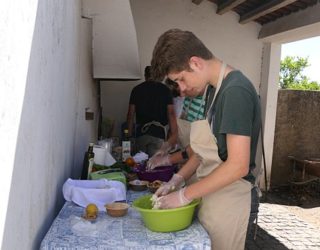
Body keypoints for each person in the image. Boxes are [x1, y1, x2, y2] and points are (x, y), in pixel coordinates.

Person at [150, 29, 261, 250]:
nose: (181, 89)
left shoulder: (235, 91)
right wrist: (177, 180)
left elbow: (238, 165)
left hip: (229, 200)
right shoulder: (212, 92)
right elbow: (204, 153)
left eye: (180, 79)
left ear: (196, 63)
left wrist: (184, 195)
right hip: (212, 195)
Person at [126, 66, 178, 157]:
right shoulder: (165, 90)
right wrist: (174, 136)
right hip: (159, 134)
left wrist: (128, 135)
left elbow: (130, 114)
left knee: (140, 163)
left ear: (145, 75)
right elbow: (171, 114)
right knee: (155, 165)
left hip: (141, 134)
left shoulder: (136, 90)